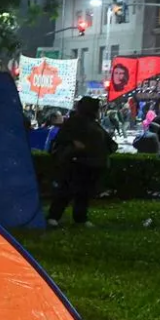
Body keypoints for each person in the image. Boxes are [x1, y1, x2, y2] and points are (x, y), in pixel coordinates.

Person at [48, 97, 117, 227]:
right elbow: (61, 140)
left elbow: (108, 143)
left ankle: (80, 217)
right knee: (66, 191)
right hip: (75, 163)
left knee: (84, 193)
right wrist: (74, 145)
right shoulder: (74, 122)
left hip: (90, 164)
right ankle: (54, 216)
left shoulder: (93, 123)